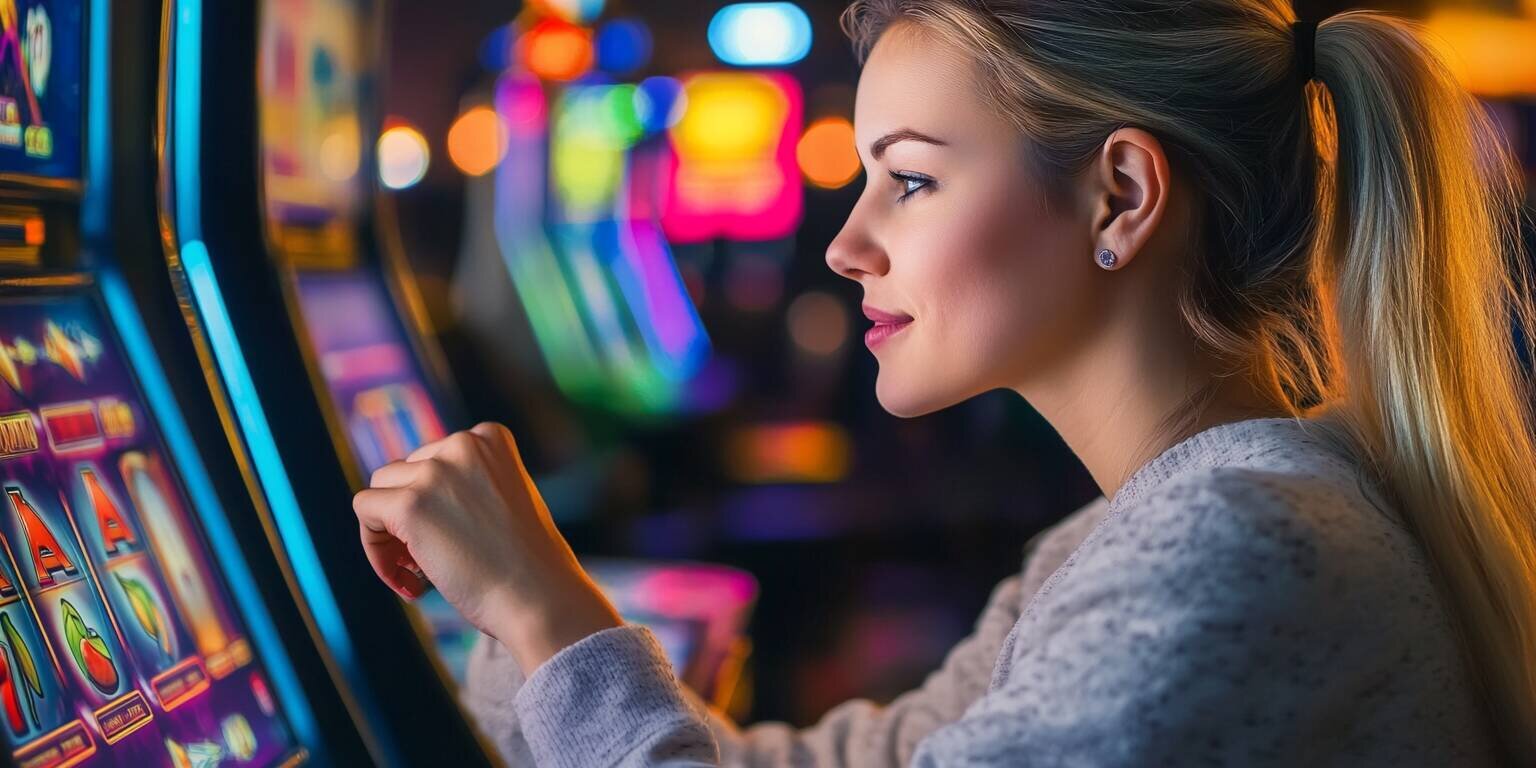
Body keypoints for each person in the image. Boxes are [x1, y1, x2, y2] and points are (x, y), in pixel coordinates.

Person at [352, 1, 1536, 765]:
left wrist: (544, 616)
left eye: (909, 182)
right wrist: (509, 634)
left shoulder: (1236, 553)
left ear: (1121, 196)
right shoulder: (1141, 533)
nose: (846, 244)